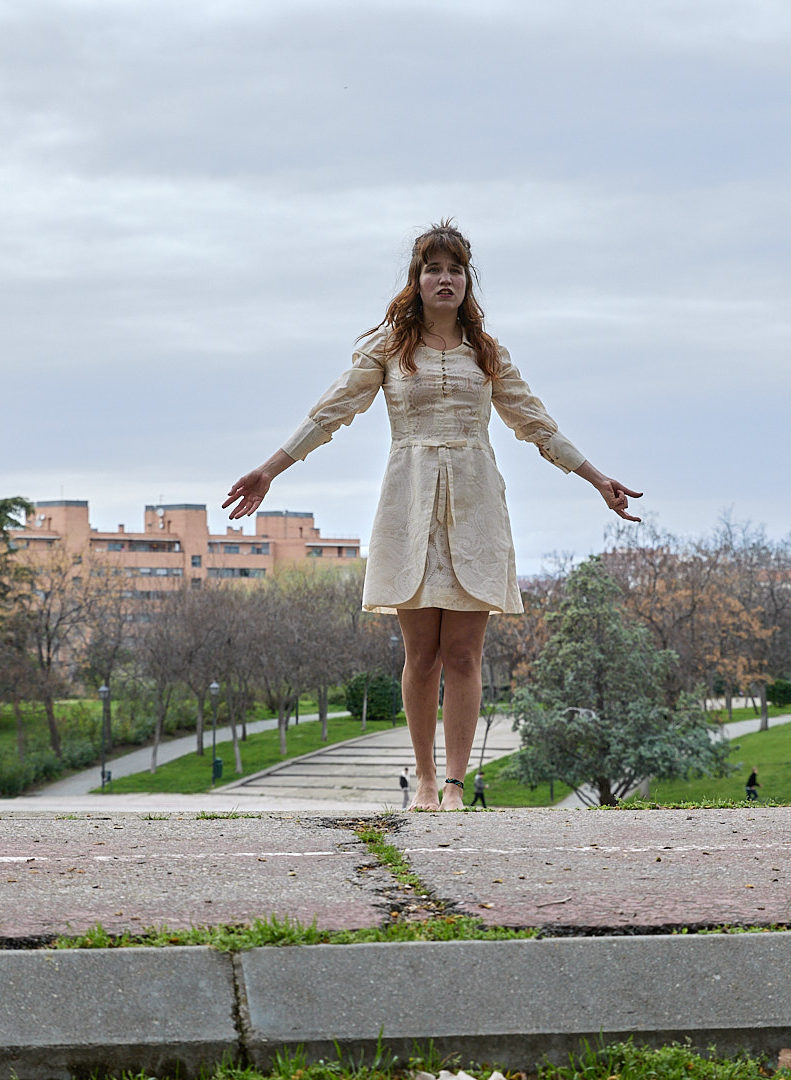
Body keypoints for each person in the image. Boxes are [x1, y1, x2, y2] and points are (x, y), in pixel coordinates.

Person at [225, 221, 641, 811]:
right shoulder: (389, 348)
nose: (444, 279)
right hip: (409, 504)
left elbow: (537, 426)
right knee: (421, 656)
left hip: (477, 507)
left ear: (467, 280)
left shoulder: (489, 354)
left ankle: (454, 783)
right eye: (432, 269)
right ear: (417, 281)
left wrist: (597, 478)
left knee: (465, 654)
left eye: (454, 269)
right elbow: (331, 411)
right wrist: (270, 469)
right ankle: (422, 778)